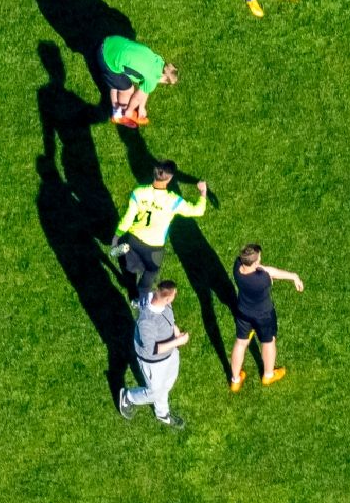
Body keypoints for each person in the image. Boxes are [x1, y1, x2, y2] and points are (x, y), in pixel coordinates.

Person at [112, 161, 208, 300]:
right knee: (151, 271)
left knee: (130, 267)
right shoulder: (173, 201)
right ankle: (140, 298)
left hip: (133, 239)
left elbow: (128, 218)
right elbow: (198, 211)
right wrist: (202, 192)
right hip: (154, 247)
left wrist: (117, 236)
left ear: (154, 173)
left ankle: (132, 292)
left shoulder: (138, 192)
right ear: (169, 178)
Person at [228, 244, 304, 391]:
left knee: (241, 343)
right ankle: (268, 375)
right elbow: (271, 273)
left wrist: (292, 276)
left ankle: (235, 380)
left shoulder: (237, 266)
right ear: (255, 263)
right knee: (268, 342)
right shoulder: (262, 279)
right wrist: (294, 276)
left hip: (243, 312)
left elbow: (265, 270)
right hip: (263, 315)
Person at [118, 280, 189, 429]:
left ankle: (162, 413)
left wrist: (176, 333)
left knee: (168, 383)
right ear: (167, 298)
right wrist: (178, 342)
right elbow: (151, 349)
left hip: (170, 354)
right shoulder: (147, 322)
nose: (175, 296)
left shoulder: (161, 301)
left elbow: (170, 320)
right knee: (155, 392)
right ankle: (128, 397)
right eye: (174, 295)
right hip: (154, 362)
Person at [98, 35, 178, 128]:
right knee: (128, 90)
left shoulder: (158, 60)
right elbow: (137, 97)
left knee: (117, 82)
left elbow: (145, 88)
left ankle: (116, 111)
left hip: (109, 42)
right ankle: (120, 115)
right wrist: (129, 111)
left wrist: (141, 107)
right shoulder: (152, 79)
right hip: (105, 59)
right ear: (165, 80)